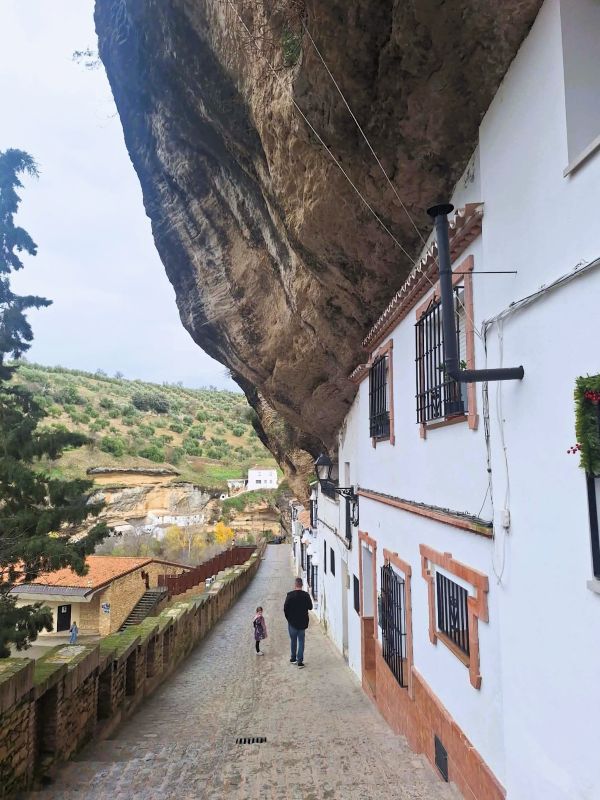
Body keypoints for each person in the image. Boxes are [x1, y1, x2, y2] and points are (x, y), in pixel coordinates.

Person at [283, 577, 313, 668]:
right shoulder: (306, 595)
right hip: (302, 623)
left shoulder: (289, 595)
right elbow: (310, 607)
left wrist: (289, 619)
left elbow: (285, 609)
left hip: (292, 623)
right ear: (302, 585)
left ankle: (293, 659)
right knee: (301, 641)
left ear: (295, 585)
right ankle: (300, 662)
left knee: (293, 641)